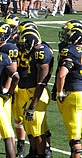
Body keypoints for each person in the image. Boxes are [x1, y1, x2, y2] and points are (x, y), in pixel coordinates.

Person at [18, 28, 54, 158]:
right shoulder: (37, 49)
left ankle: (41, 154)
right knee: (32, 127)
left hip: (38, 94)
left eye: (25, 43)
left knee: (37, 130)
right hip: (33, 93)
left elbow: (41, 83)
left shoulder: (41, 53)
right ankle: (34, 153)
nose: (24, 46)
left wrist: (33, 106)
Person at [0, 21, 19, 157]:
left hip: (3, 91)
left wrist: (6, 89)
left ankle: (9, 153)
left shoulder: (10, 47)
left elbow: (13, 72)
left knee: (4, 124)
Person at [56, 26, 82, 158]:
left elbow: (61, 75)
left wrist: (59, 92)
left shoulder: (70, 50)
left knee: (75, 136)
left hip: (74, 93)